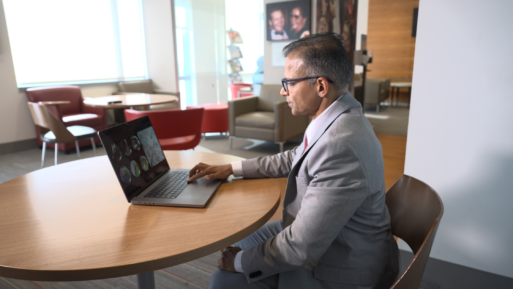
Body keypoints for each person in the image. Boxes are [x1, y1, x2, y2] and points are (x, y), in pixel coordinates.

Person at [188, 33, 399, 289]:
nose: (282, 90)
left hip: (343, 264)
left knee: (224, 280)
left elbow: (301, 247)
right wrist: (232, 168)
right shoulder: (340, 115)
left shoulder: (341, 146)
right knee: (243, 241)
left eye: (289, 82)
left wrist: (240, 261)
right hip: (333, 235)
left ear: (321, 86)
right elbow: (294, 157)